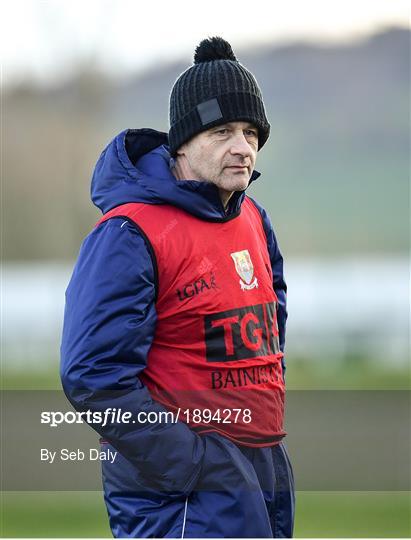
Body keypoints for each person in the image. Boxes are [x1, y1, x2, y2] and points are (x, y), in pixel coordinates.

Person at [61, 36, 295, 538]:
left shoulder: (254, 216)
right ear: (183, 141)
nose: (243, 147)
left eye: (251, 132)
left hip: (264, 470)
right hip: (184, 493)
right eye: (223, 130)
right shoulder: (128, 233)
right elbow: (93, 375)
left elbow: (268, 325)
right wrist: (196, 464)